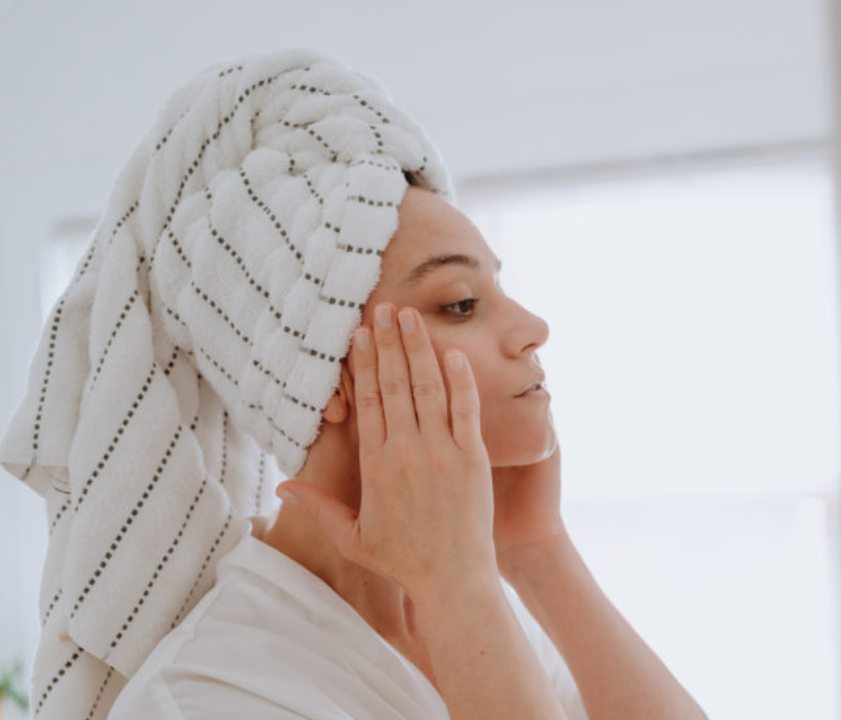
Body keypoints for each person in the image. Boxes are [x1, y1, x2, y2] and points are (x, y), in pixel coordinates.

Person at [106, 185, 709, 719]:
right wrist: (457, 583)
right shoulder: (207, 697)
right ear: (325, 380)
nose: (534, 326)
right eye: (461, 303)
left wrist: (535, 550)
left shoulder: (478, 604)